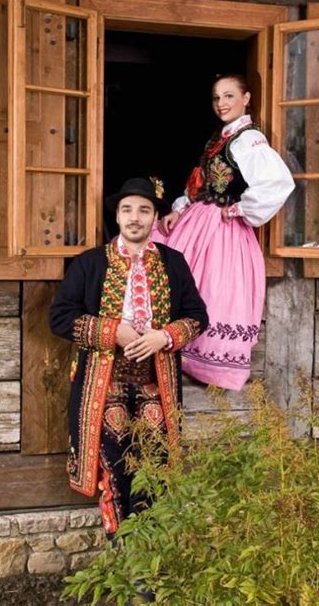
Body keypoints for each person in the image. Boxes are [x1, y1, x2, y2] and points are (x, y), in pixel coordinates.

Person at [49, 177, 208, 538]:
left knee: (155, 466)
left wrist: (162, 337)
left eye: (143, 210)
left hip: (155, 385)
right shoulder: (90, 264)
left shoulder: (173, 263)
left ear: (154, 218)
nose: (135, 218)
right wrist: (112, 332)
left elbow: (198, 317)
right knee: (116, 471)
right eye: (127, 210)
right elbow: (59, 318)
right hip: (105, 388)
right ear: (118, 217)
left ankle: (151, 554)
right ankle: (123, 553)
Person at [152, 73, 295, 392]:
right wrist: (179, 208)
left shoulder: (248, 139)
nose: (222, 104)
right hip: (198, 219)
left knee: (215, 288)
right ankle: (168, 344)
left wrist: (242, 208)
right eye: (217, 98)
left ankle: (201, 357)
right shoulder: (222, 138)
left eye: (229, 96)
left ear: (246, 99)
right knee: (166, 264)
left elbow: (278, 183)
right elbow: (202, 182)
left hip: (222, 229)